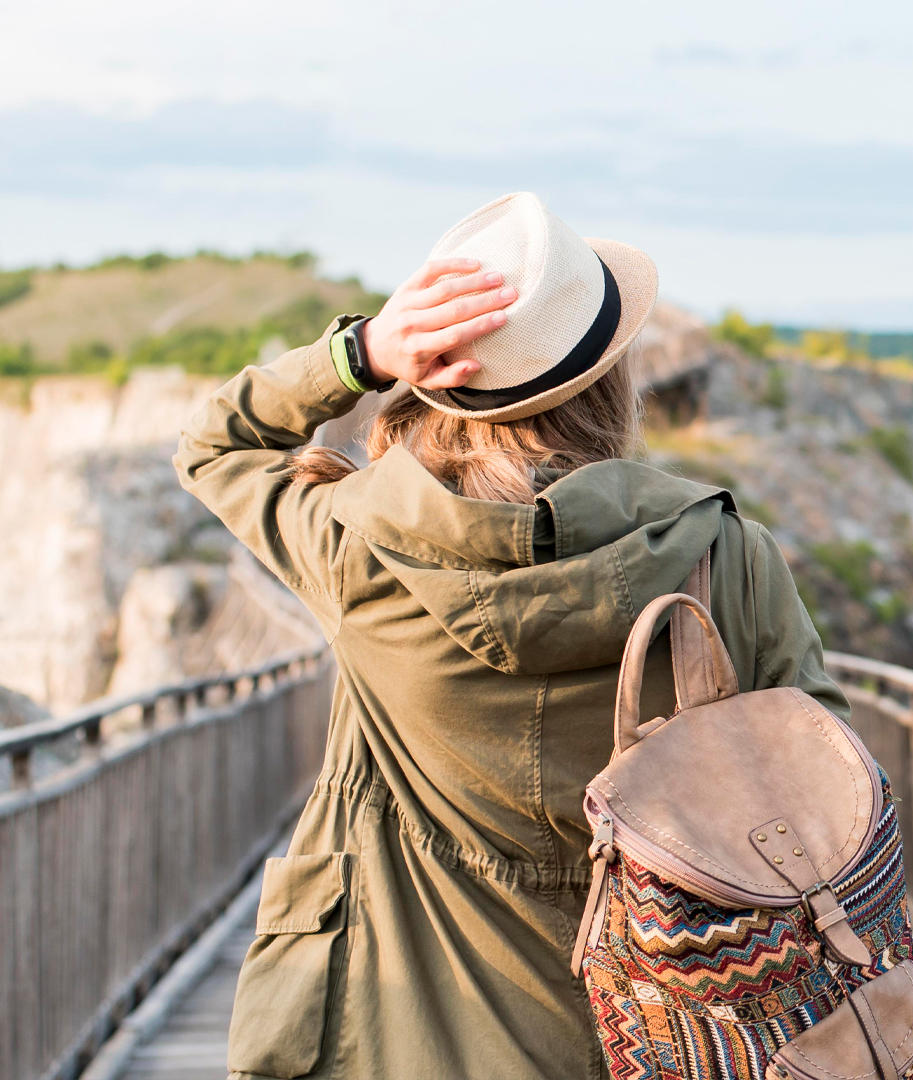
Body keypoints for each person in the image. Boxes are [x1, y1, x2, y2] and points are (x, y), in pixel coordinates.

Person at [176, 192, 849, 1079]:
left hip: (402, 1026)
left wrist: (361, 355)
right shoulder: (728, 555)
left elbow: (214, 447)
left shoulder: (357, 544)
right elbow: (826, 764)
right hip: (672, 1022)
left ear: (439, 381)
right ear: (605, 380)